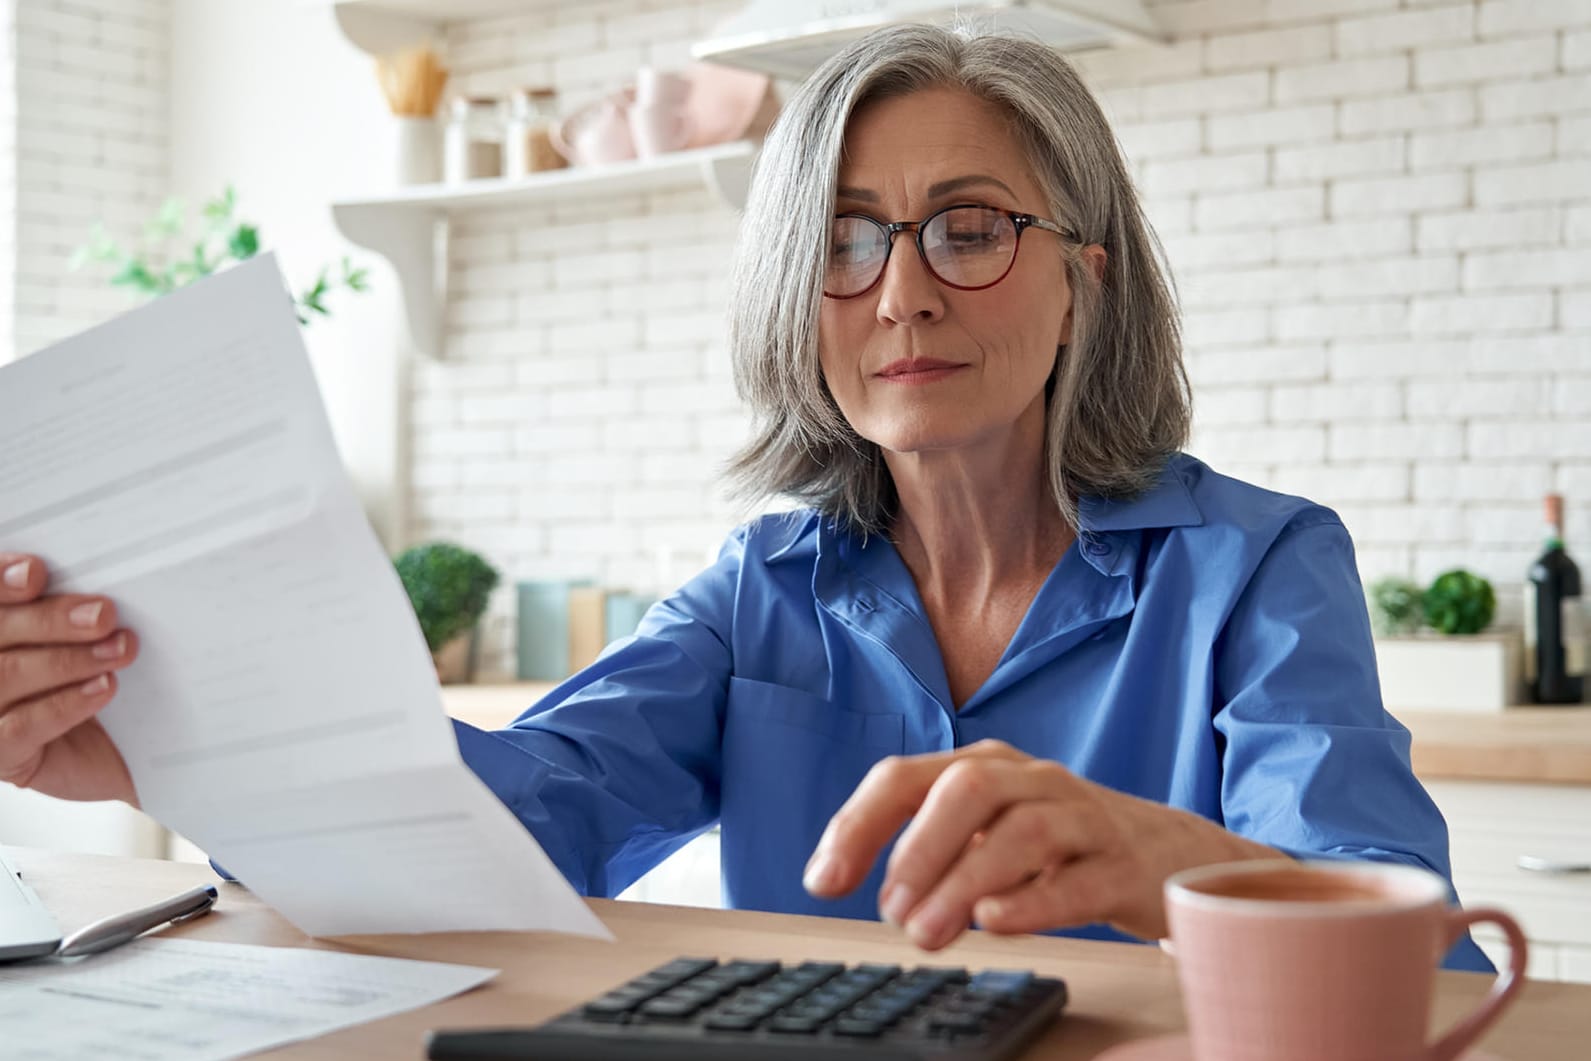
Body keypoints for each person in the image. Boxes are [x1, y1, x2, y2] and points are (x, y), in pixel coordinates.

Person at [0, 24, 1489, 970]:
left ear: (1081, 284)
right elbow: (513, 818)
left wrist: (1174, 860)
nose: (900, 289)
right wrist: (159, 746)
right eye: (843, 242)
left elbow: (1434, 956)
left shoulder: (1258, 568)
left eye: (969, 228)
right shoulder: (761, 593)